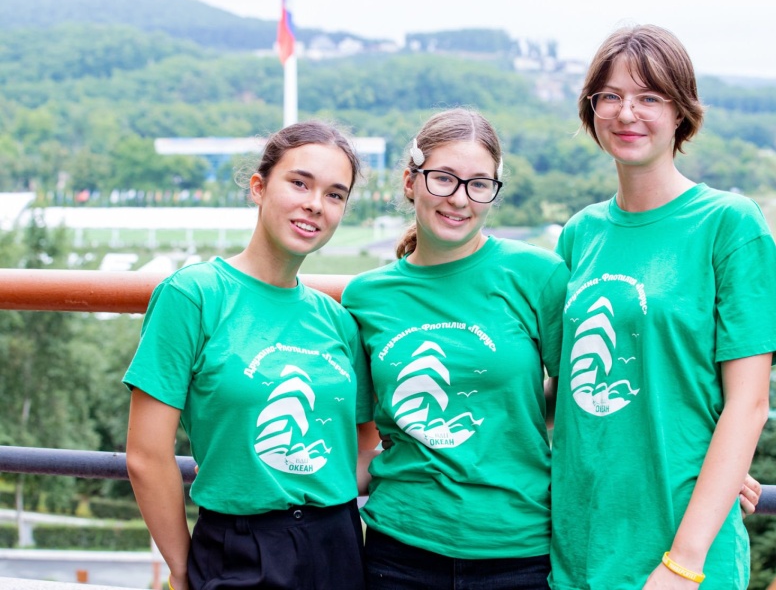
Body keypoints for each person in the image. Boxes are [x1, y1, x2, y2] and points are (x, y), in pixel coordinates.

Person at [548, 25, 776, 589]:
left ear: (680, 113)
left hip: (682, 553)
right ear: (591, 109)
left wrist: (683, 563)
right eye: (610, 96)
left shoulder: (729, 224)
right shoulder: (579, 234)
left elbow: (749, 404)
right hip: (580, 544)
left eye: (649, 97)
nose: (627, 113)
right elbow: (558, 389)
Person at [124, 121, 373, 590]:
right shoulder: (194, 295)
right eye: (299, 183)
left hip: (337, 545)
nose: (315, 204)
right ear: (258, 187)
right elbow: (146, 455)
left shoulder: (337, 320)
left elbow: (363, 438)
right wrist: (182, 569)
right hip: (238, 548)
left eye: (335, 194)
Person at [342, 108, 569, 589]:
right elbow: (359, 432)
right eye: (443, 178)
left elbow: (582, 393)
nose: (460, 199)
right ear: (411, 181)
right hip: (398, 550)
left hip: (519, 551)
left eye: (479, 184)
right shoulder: (366, 297)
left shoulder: (537, 275)